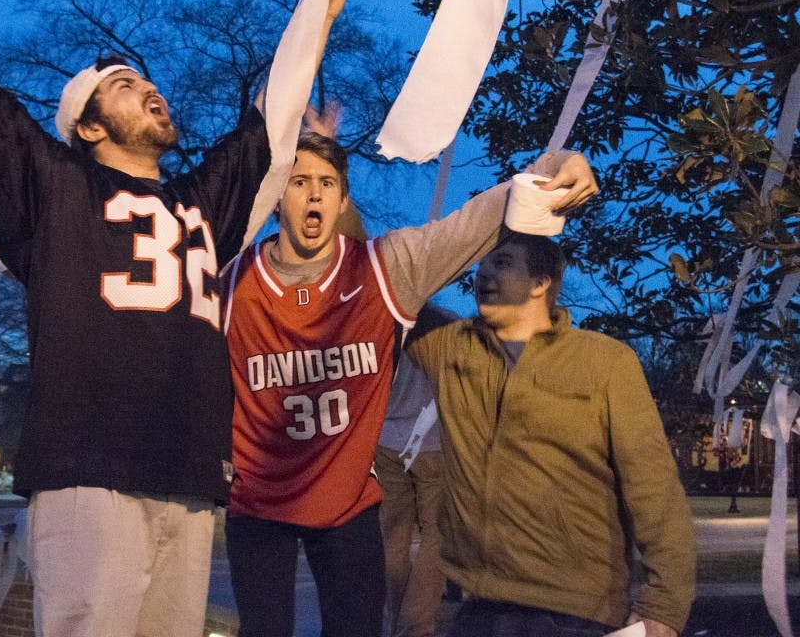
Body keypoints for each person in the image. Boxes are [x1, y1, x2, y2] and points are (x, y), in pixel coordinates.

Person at [0, 0, 354, 637]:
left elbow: (278, 110)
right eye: (124, 84)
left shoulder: (200, 201)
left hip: (192, 473)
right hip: (88, 470)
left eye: (145, 79)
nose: (148, 88)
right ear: (89, 126)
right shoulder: (55, 189)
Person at [221, 129, 598, 637]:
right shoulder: (231, 282)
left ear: (343, 199)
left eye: (328, 183)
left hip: (346, 502)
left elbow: (471, 226)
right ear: (274, 198)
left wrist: (554, 164)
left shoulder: (386, 267)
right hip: (261, 501)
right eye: (299, 181)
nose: (314, 194)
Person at [404, 233, 696, 637]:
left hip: (575, 614)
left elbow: (654, 489)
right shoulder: (451, 349)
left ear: (541, 283)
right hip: (479, 610)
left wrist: (664, 606)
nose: (484, 271)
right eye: (481, 263)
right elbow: (371, 275)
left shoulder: (605, 361)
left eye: (502, 262)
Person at [375, 303, 458, 637]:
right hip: (432, 439)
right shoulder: (445, 321)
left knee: (393, 536)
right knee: (436, 533)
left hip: (386, 437)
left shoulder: (378, 318)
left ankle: (398, 622)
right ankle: (416, 624)